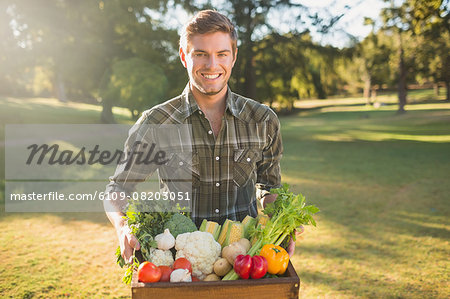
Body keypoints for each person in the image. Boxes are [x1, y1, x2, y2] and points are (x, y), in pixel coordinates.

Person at [104, 10, 296, 264]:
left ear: (233, 57)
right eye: (201, 54)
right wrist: (122, 226)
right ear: (184, 57)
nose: (212, 65)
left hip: (246, 261)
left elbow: (269, 187)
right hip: (179, 266)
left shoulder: (263, 120)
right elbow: (118, 188)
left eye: (221, 54)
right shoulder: (156, 123)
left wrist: (281, 218)